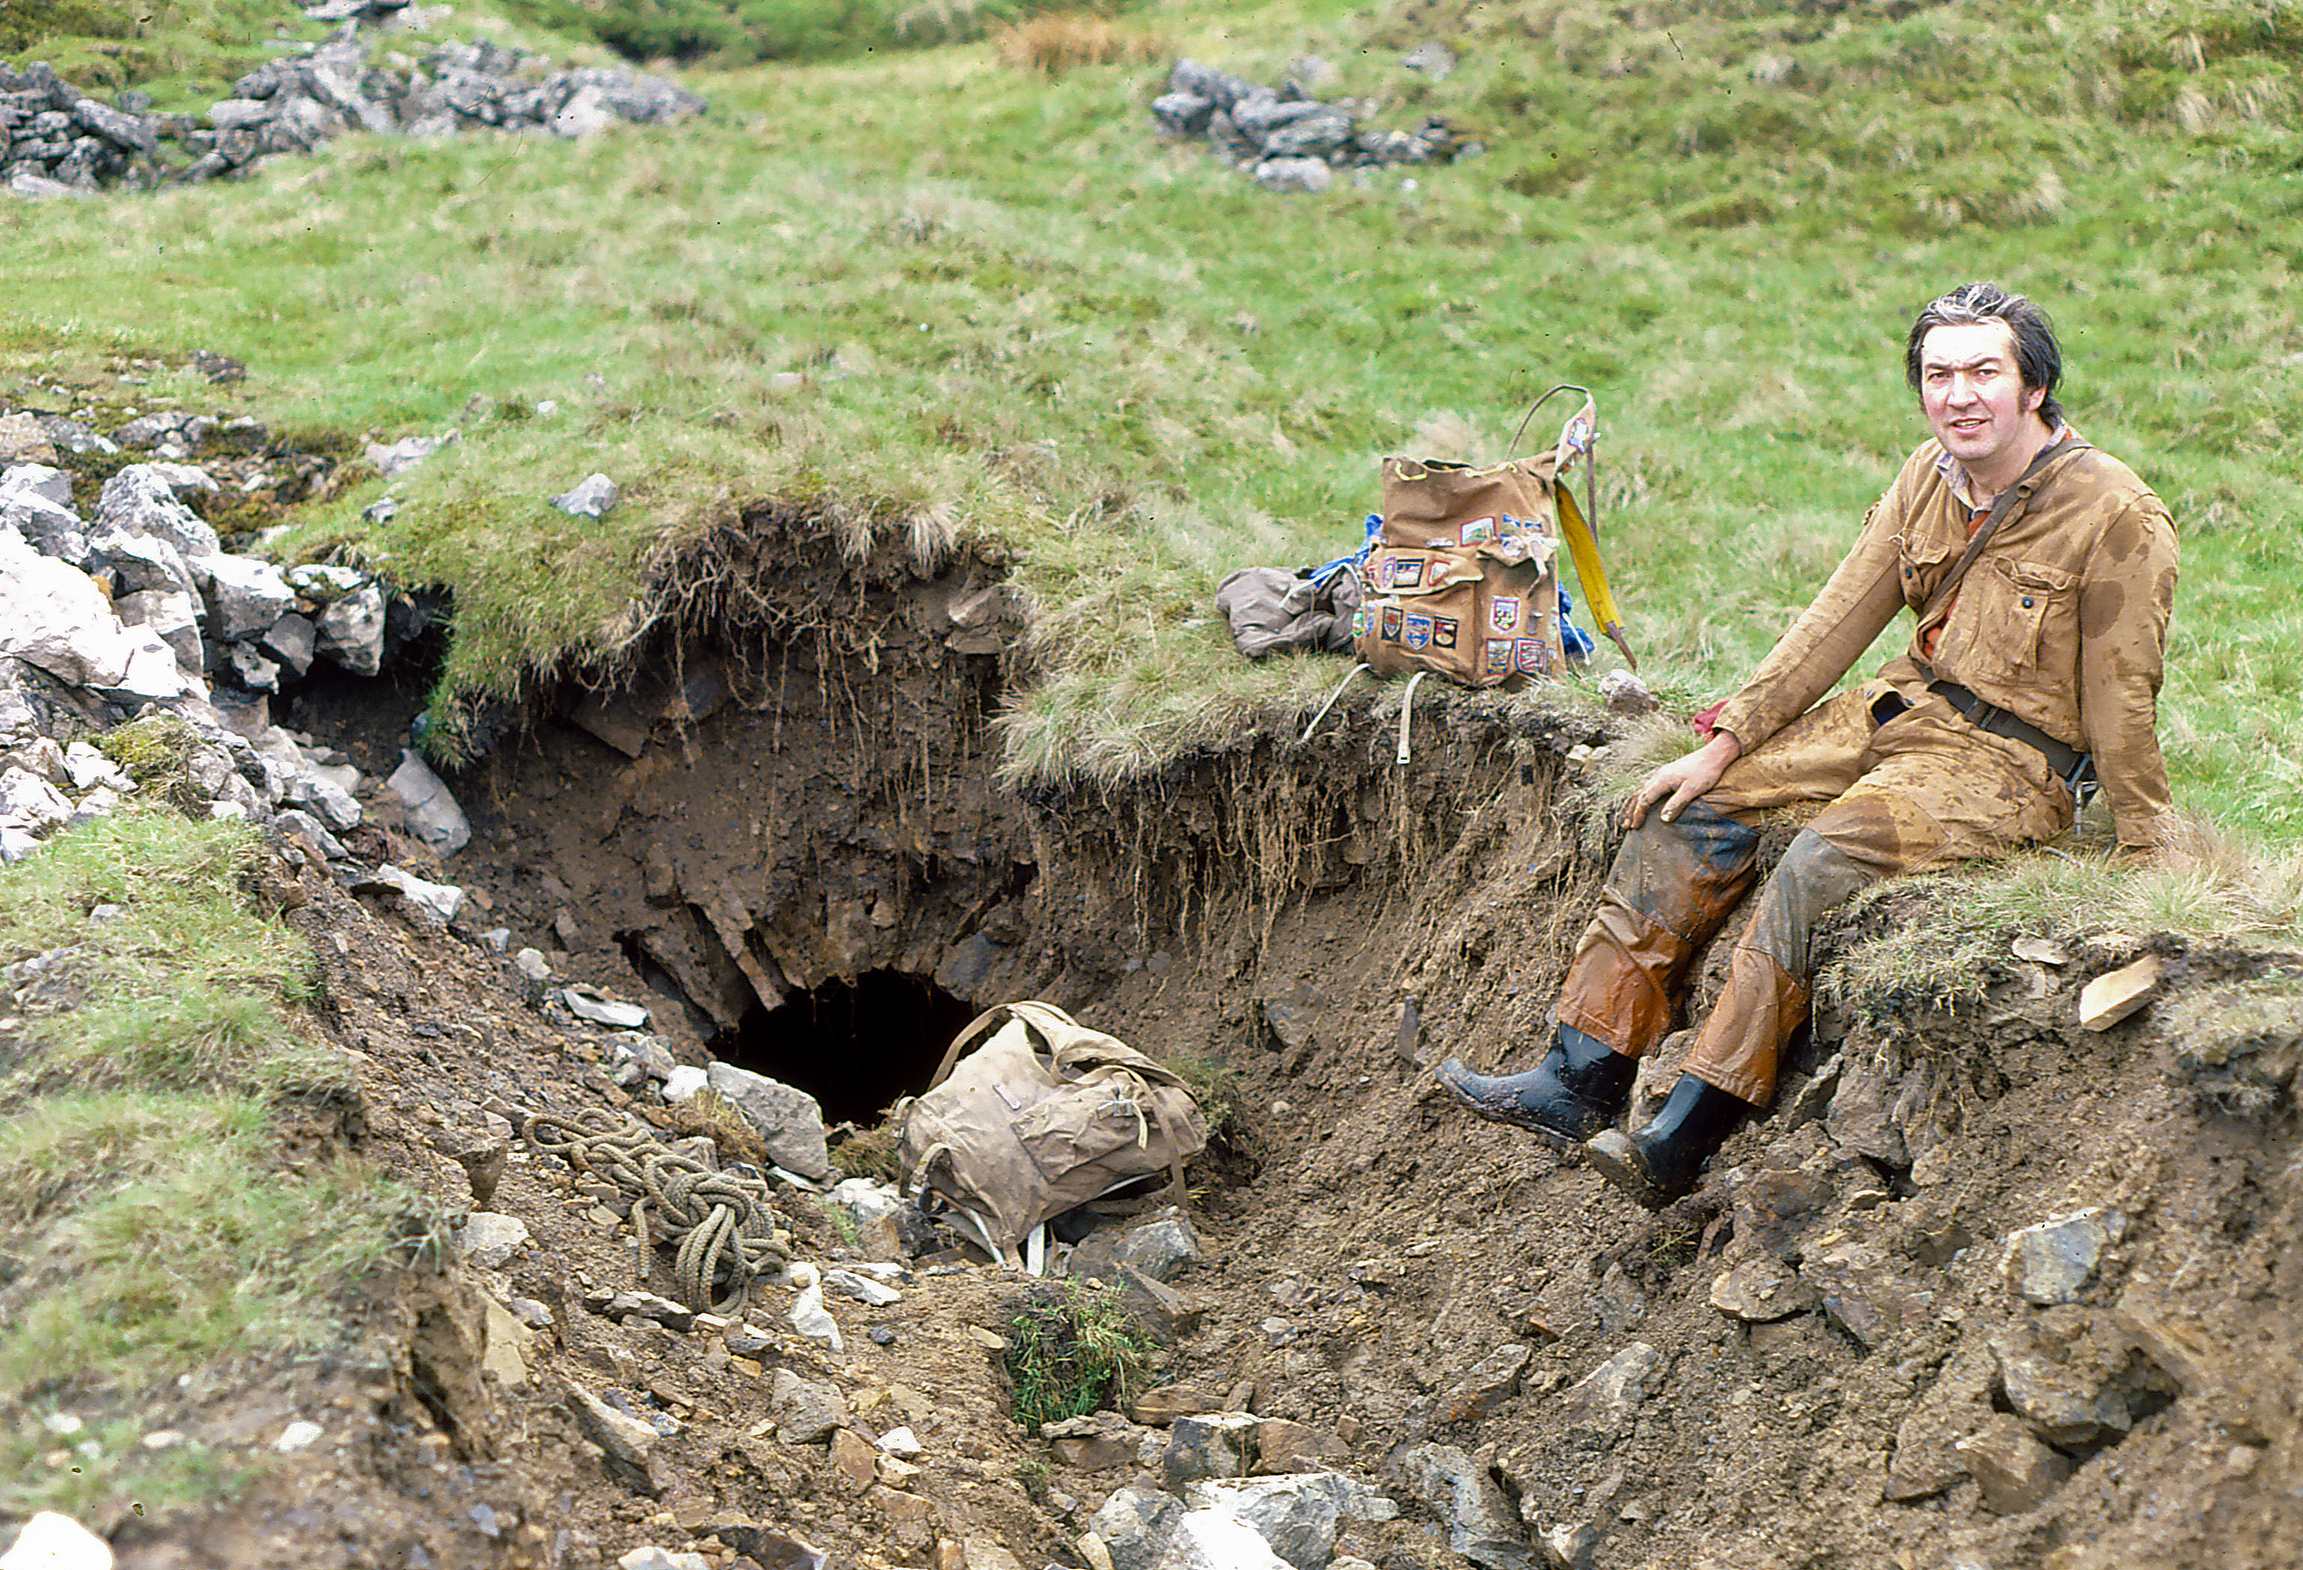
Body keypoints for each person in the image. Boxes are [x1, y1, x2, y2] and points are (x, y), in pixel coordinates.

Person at [1436, 282, 2180, 1206]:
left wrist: (2147, 847)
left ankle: (1684, 1130)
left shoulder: (2116, 513)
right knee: (1689, 810)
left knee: (1820, 861)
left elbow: (2123, 696)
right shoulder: (1927, 476)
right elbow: (1834, 621)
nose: (1960, 395)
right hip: (1895, 714)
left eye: (1985, 372)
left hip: (2008, 764)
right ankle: (1576, 1077)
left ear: (2033, 388)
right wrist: (1723, 742)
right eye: (1939, 375)